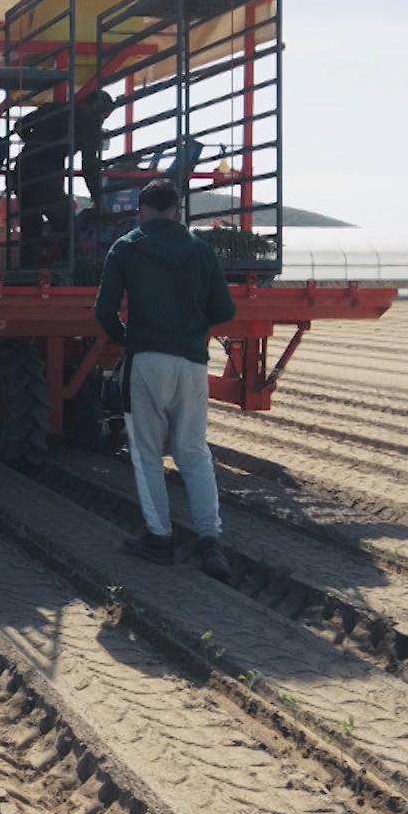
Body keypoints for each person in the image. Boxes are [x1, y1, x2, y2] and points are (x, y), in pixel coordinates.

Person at [92, 179, 237, 581]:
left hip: (147, 360)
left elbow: (104, 311)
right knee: (194, 451)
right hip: (191, 362)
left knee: (146, 453)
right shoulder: (200, 251)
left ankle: (160, 538)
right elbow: (223, 309)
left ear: (141, 210)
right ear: (177, 209)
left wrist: (127, 339)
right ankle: (211, 541)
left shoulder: (126, 247)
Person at [13, 90, 112, 267]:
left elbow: (20, 125)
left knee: (31, 228)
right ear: (100, 110)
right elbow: (90, 167)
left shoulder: (54, 108)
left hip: (22, 169)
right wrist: (99, 201)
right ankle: (75, 271)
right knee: (66, 222)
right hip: (43, 174)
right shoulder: (90, 123)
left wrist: (39, 142)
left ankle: (27, 274)